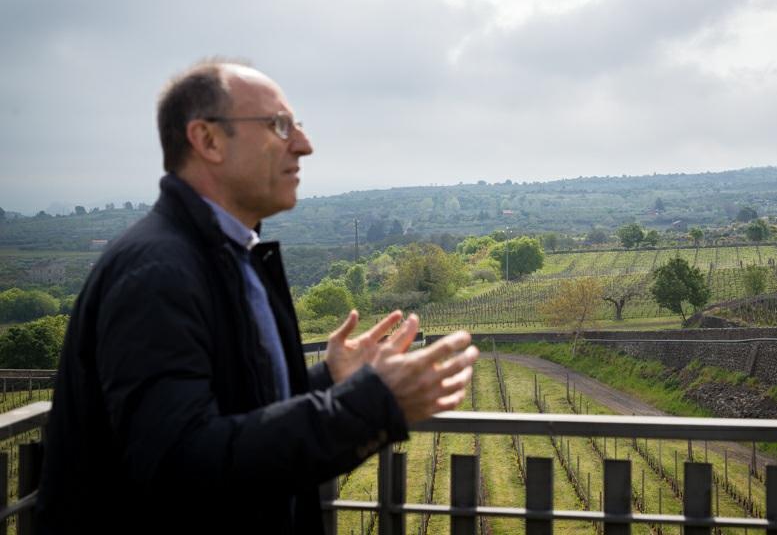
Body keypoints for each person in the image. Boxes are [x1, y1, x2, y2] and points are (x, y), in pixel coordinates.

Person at [35, 61, 479, 535]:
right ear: (207, 141)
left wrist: (330, 381)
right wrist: (370, 405)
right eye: (279, 126)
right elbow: (179, 465)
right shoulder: (157, 273)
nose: (304, 146)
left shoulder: (230, 256)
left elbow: (236, 417)